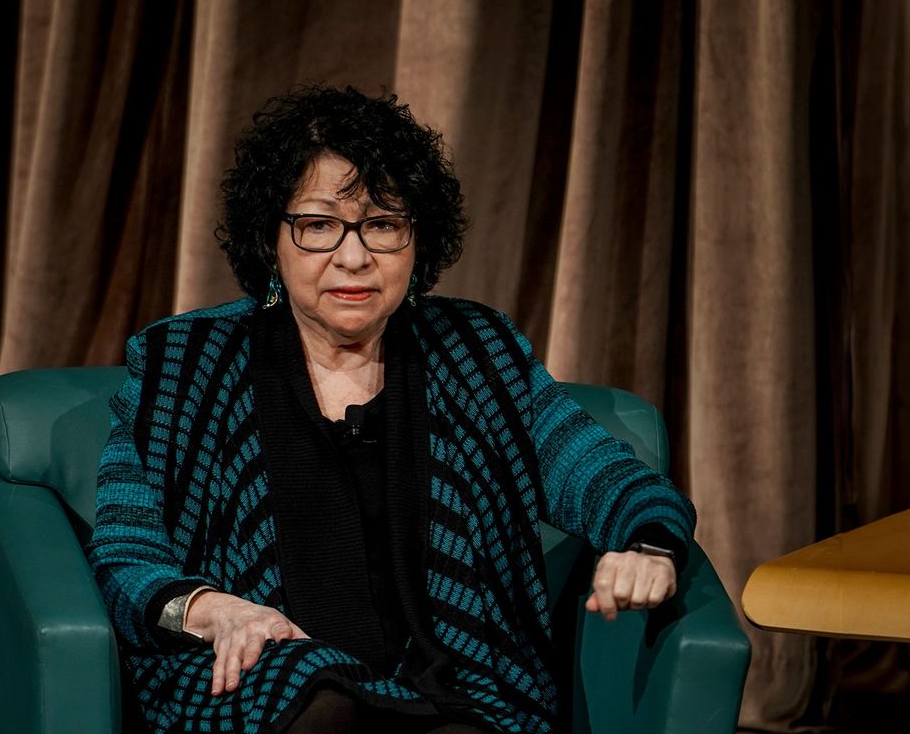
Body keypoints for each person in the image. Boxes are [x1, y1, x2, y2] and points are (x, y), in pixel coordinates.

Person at [87, 85, 696, 733]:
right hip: (271, 683)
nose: (354, 256)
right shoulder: (183, 362)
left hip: (454, 687)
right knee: (319, 697)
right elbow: (127, 551)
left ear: (416, 239)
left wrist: (649, 547)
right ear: (271, 239)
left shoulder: (477, 353)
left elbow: (604, 475)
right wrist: (218, 611)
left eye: (382, 224)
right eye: (318, 224)